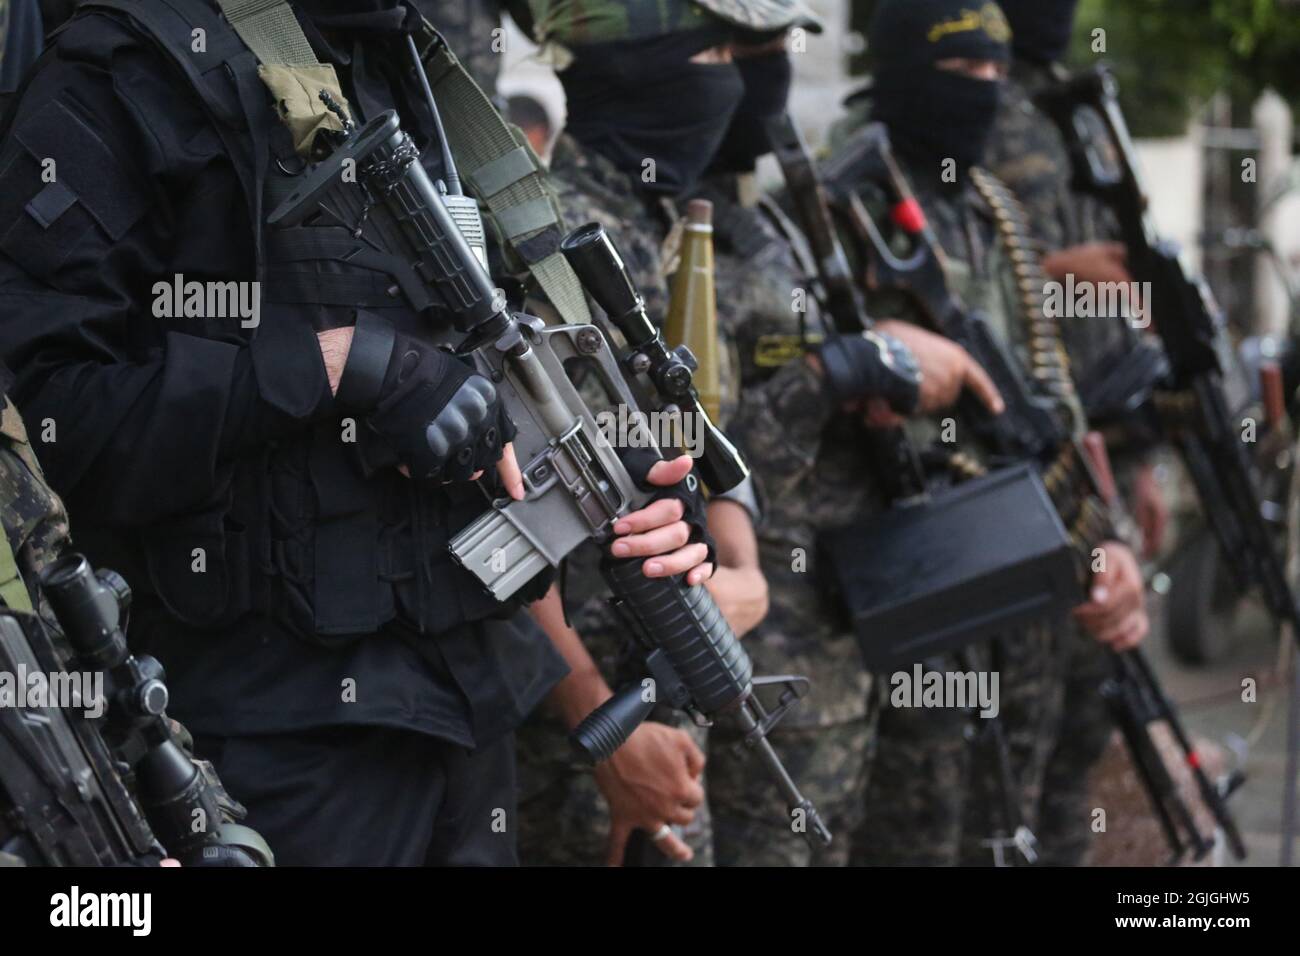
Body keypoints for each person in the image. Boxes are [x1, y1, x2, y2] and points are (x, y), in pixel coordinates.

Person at [0, 0, 711, 866]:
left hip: (464, 711)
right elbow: (47, 417)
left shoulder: (405, 68)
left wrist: (620, 466)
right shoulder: (122, 70)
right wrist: (337, 366)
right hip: (264, 739)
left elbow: (488, 345)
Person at [828, 0, 1149, 866]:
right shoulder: (839, 198)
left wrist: (1104, 537)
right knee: (918, 835)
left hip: (1023, 554)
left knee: (1022, 816)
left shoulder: (987, 206)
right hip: (922, 574)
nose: (983, 92)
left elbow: (1054, 393)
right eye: (959, 69)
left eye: (994, 73)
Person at [985, 0, 1164, 866]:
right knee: (1015, 743)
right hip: (1016, 462)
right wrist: (1062, 274)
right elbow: (974, 271)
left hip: (1104, 455)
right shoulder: (973, 100)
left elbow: (1122, 312)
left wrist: (1146, 469)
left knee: (1085, 724)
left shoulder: (1077, 108)